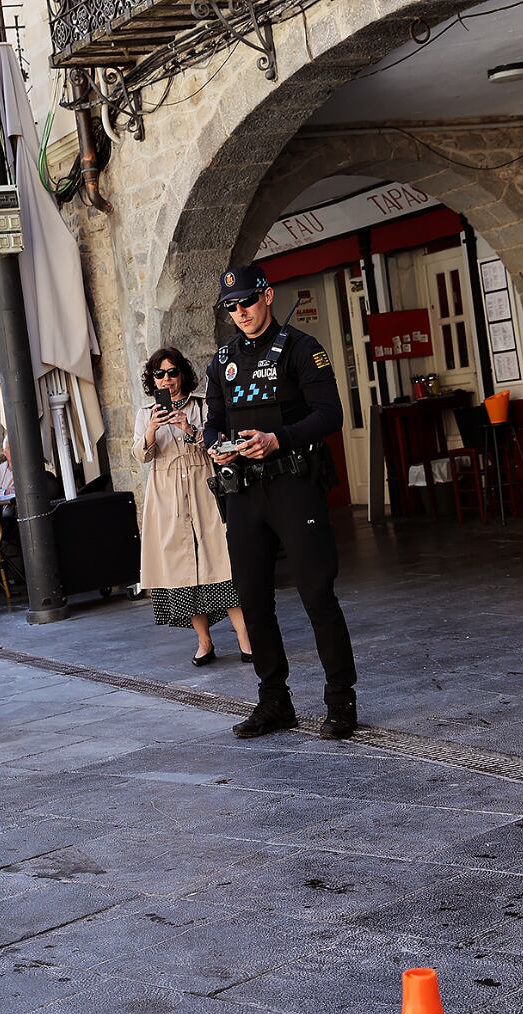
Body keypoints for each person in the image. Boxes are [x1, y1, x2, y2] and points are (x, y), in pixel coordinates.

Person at [203, 264, 357, 741]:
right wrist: (215, 444)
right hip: (245, 492)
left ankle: (340, 702)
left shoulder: (301, 349)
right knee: (253, 599)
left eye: (247, 301)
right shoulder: (223, 358)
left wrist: (279, 439)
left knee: (316, 594)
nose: (241, 312)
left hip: (293, 485)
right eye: (231, 307)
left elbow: (330, 414)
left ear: (267, 296)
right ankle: (274, 702)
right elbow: (213, 419)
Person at [133, 346, 253, 665]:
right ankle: (204, 641)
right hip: (167, 494)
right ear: (153, 379)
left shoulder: (201, 406)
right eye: (160, 374)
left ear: (182, 374)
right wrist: (152, 429)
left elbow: (218, 444)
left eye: (173, 372)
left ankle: (245, 638)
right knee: (184, 568)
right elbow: (140, 455)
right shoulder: (146, 413)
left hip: (204, 488)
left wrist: (189, 430)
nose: (167, 379)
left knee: (221, 561)